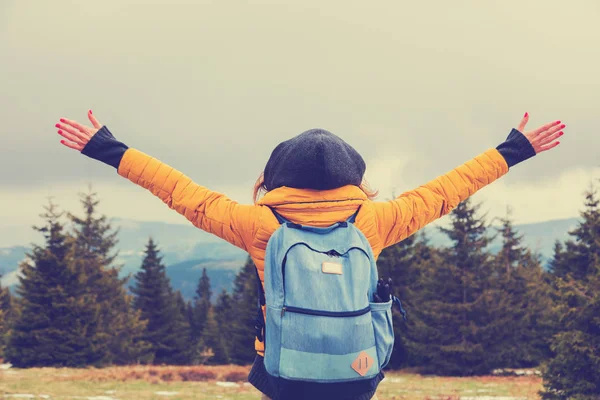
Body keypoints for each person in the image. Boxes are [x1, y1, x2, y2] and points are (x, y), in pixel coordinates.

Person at [53, 110, 565, 399]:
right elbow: (447, 189)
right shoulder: (374, 221)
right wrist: (513, 149)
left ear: (274, 177)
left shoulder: (257, 224)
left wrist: (109, 149)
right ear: (355, 177)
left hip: (282, 372)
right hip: (358, 369)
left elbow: (179, 190)